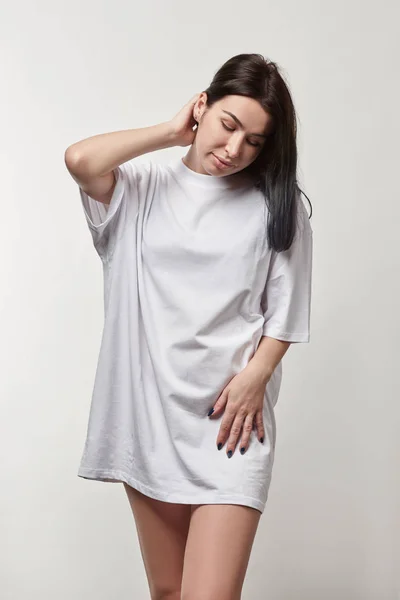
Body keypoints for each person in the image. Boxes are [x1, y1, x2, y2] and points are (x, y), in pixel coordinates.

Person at [65, 53, 313, 600]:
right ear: (201, 107)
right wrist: (168, 133)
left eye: (254, 141)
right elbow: (80, 159)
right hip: (150, 418)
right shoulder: (140, 188)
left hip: (231, 423)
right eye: (228, 125)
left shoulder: (278, 205)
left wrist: (258, 374)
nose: (234, 150)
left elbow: (288, 311)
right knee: (170, 592)